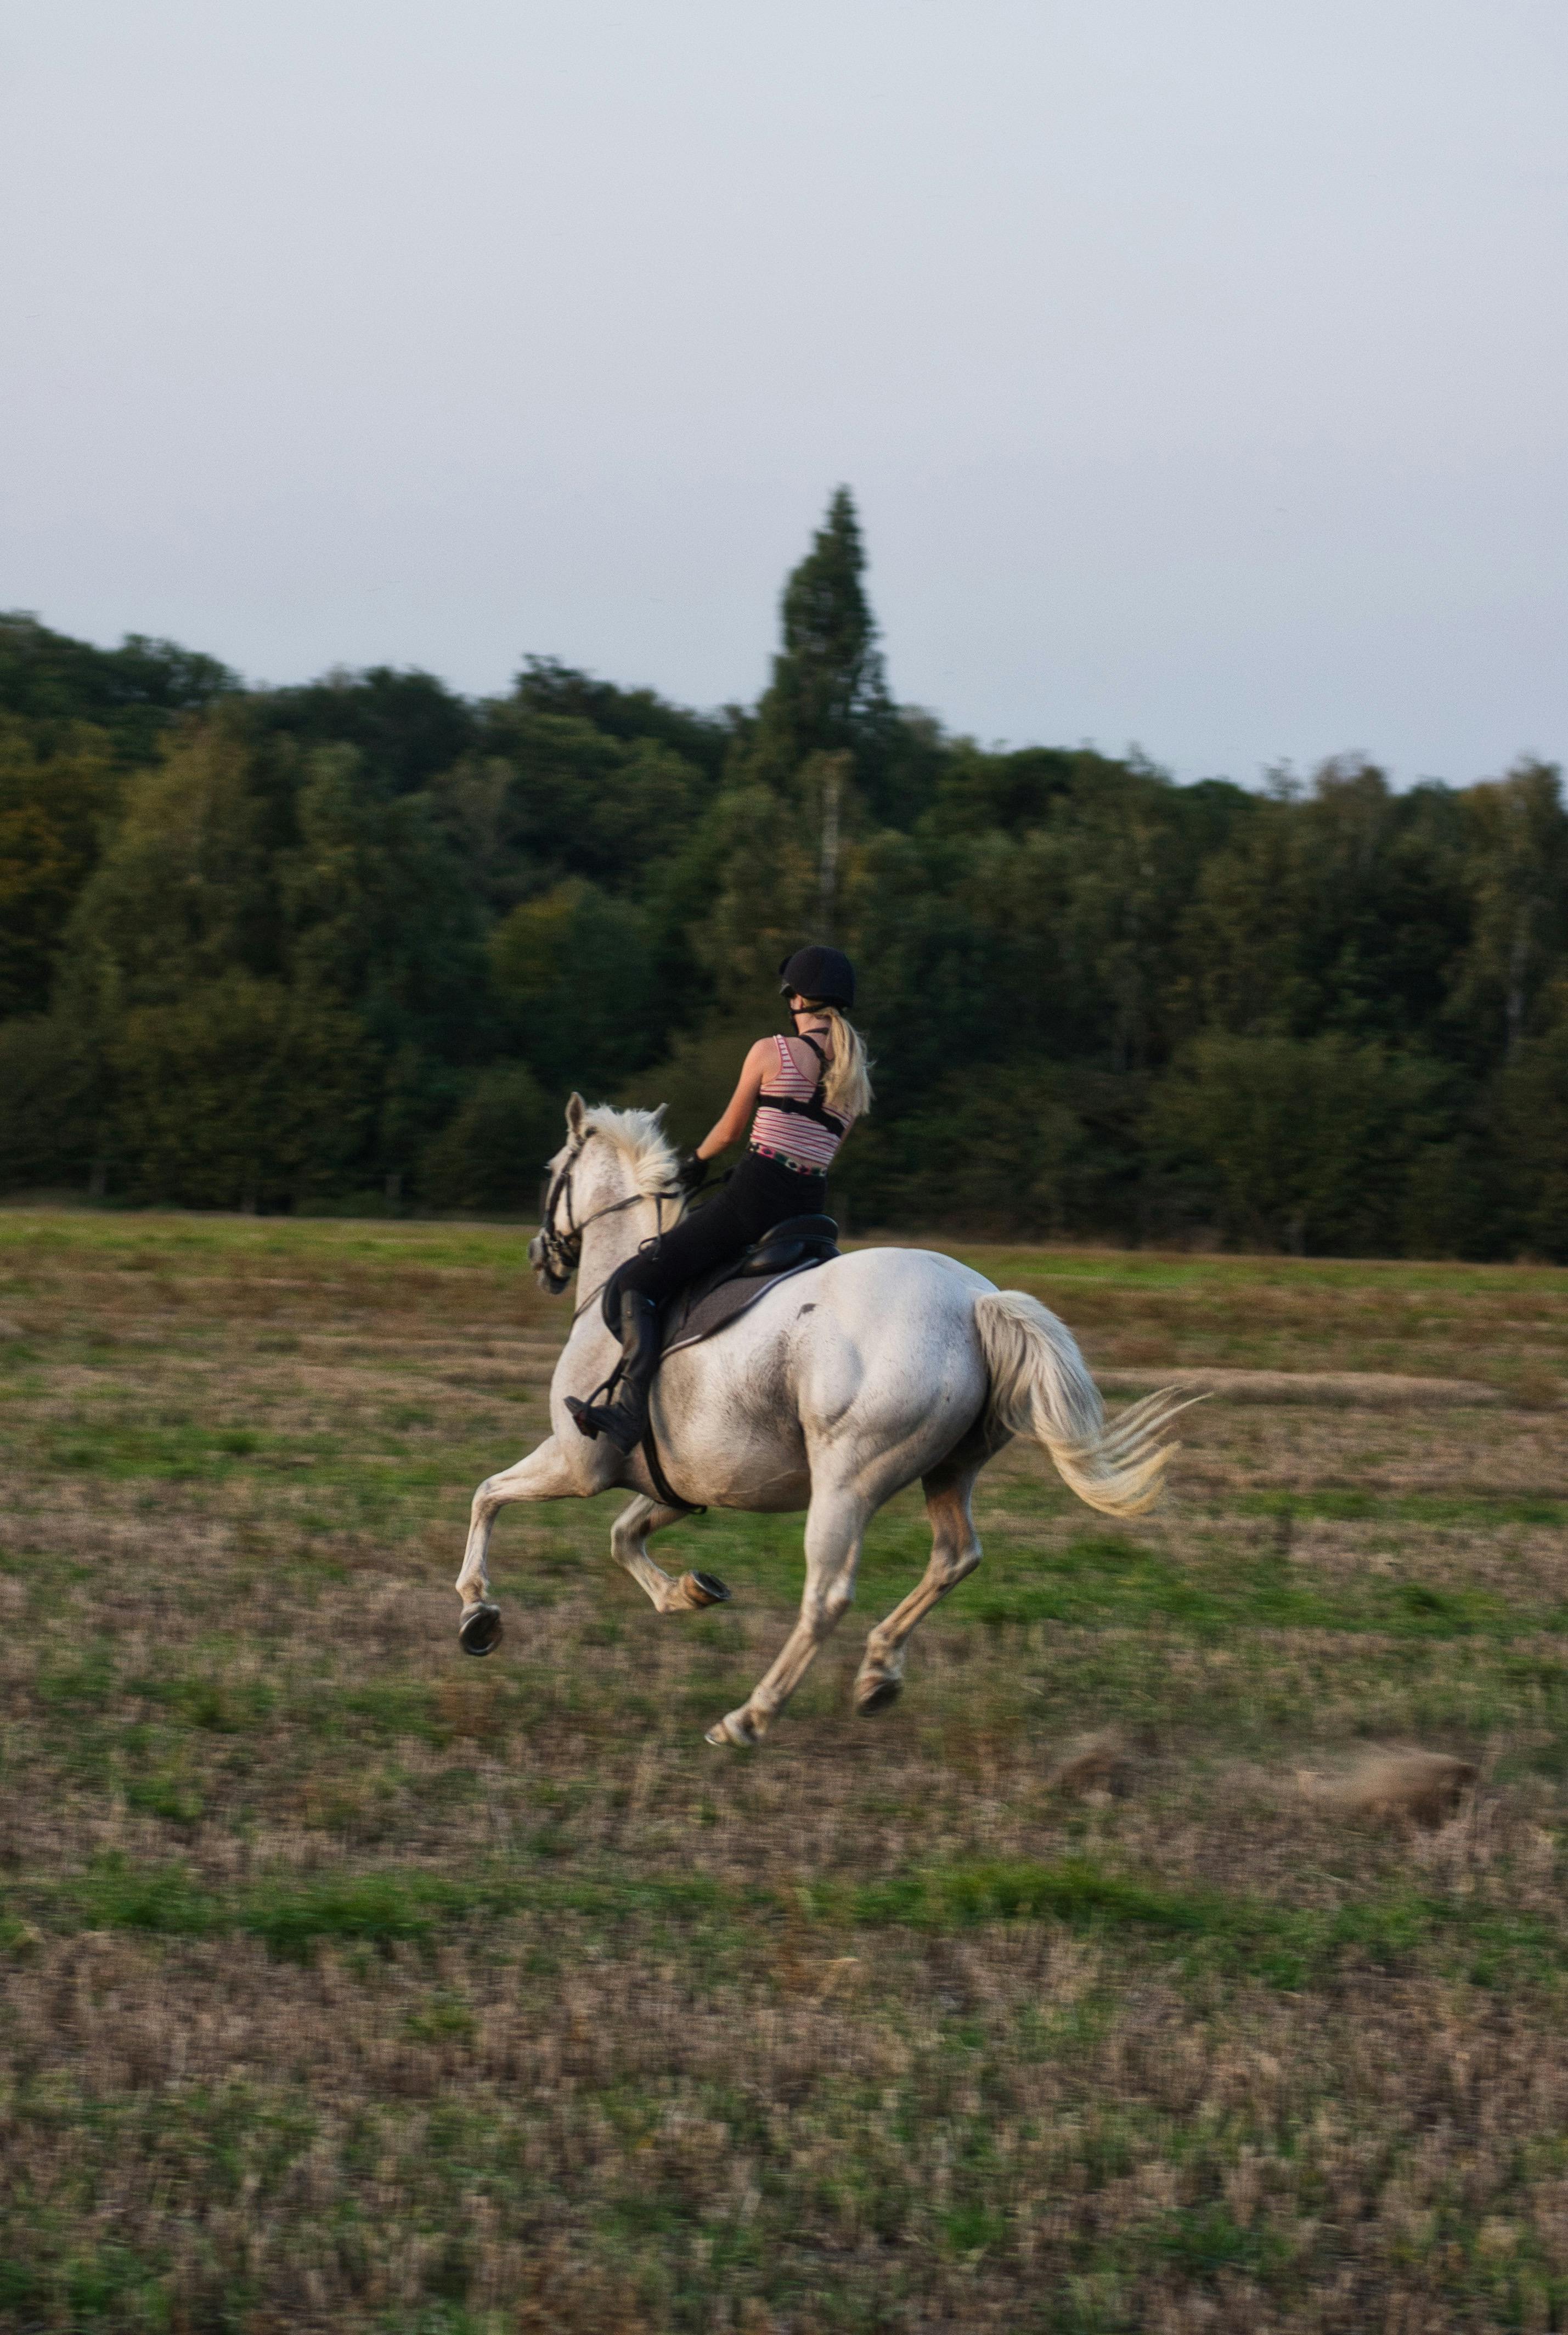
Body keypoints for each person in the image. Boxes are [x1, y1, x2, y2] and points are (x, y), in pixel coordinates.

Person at [566, 944, 872, 1452]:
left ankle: (629, 1411)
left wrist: (699, 1163)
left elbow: (731, 1129)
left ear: (796, 998)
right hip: (810, 1209)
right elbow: (823, 1154)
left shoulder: (772, 1051)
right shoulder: (854, 1076)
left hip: (754, 1200)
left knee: (639, 1281)